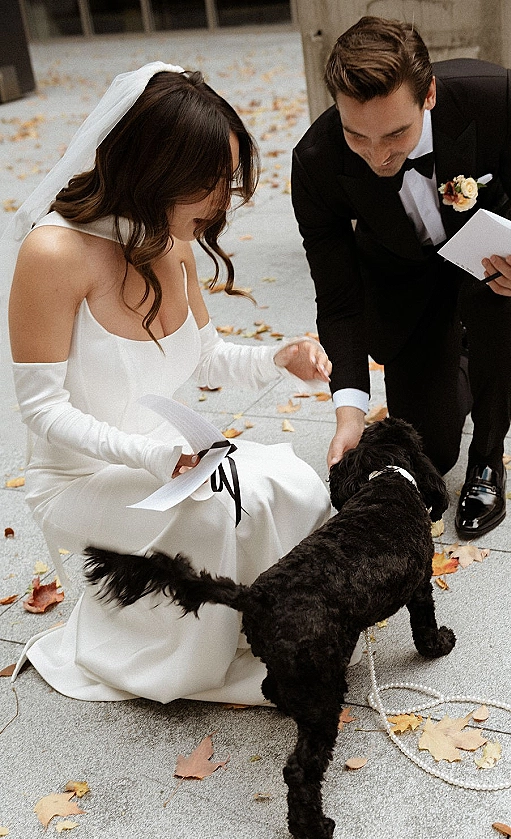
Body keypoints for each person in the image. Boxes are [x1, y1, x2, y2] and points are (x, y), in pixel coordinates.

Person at [3, 62, 333, 704]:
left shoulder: (168, 235)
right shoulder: (52, 254)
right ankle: (184, 662)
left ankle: (280, 625)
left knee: (289, 484)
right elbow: (42, 409)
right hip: (79, 477)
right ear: (153, 168)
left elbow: (203, 358)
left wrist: (278, 358)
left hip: (170, 460)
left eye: (228, 179)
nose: (224, 201)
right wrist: (149, 455)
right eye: (208, 183)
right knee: (218, 515)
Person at [291, 16, 511, 538]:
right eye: (357, 135)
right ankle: (460, 355)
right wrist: (350, 411)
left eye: (395, 134)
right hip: (402, 279)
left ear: (429, 95)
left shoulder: (494, 97)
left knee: (493, 306)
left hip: (490, 265)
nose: (378, 155)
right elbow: (338, 300)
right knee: (432, 450)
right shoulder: (315, 161)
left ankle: (488, 456)